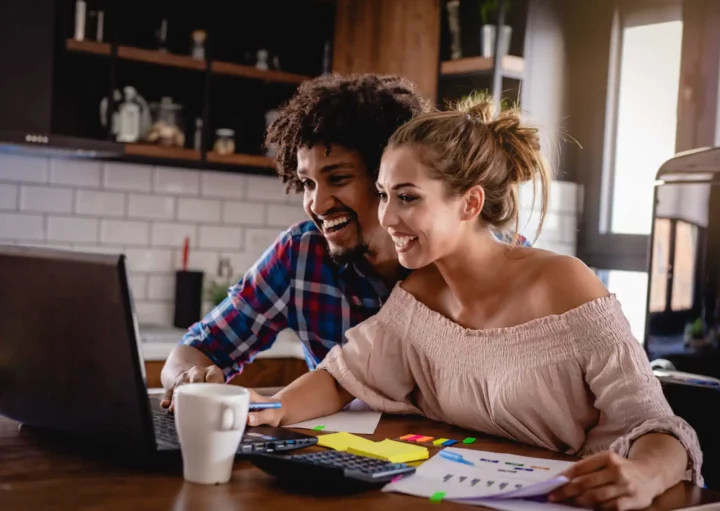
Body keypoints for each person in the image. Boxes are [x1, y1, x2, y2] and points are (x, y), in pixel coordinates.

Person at [245, 95, 703, 511]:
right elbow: (342, 377)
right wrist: (274, 407)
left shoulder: (565, 285)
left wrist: (642, 475)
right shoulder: (418, 297)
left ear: (469, 203)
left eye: (407, 197)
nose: (386, 216)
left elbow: (659, 427)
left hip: (589, 501)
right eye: (384, 195)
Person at [160, 74, 527, 408]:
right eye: (307, 184)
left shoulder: (482, 260)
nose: (316, 204)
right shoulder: (300, 255)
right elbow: (198, 348)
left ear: (385, 175)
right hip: (344, 457)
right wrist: (187, 379)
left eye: (337, 178)